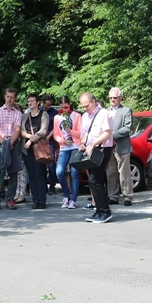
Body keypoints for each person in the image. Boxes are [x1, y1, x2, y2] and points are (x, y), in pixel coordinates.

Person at [79, 92, 115, 223]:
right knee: (93, 180)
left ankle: (105, 211)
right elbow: (85, 133)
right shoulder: (85, 116)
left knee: (94, 179)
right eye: (83, 106)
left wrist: (93, 143)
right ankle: (99, 210)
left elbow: (107, 133)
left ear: (94, 101)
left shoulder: (104, 113)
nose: (85, 109)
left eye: (87, 105)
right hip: (90, 150)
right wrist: (82, 143)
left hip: (102, 149)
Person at [21, 94, 51, 209]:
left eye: (32, 101)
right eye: (28, 101)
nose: (30, 103)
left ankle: (42, 200)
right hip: (27, 149)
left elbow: (43, 130)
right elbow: (22, 131)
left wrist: (30, 141)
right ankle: (35, 199)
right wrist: (29, 137)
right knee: (31, 175)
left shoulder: (44, 114)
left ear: (38, 102)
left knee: (39, 174)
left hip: (39, 148)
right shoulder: (25, 116)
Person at [105, 87, 134, 207]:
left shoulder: (126, 110)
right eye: (110, 98)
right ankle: (113, 196)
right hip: (108, 146)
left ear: (120, 98)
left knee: (124, 173)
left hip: (122, 146)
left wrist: (112, 136)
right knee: (111, 172)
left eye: (115, 97)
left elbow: (127, 128)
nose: (112, 100)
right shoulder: (105, 111)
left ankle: (127, 196)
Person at [53, 95, 81, 209]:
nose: (64, 109)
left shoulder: (76, 116)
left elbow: (81, 133)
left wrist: (71, 132)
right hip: (64, 147)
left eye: (66, 107)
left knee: (74, 172)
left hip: (75, 146)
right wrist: (63, 141)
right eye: (62, 107)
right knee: (59, 171)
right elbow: (55, 134)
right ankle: (66, 195)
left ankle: (73, 199)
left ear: (70, 105)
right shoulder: (57, 118)